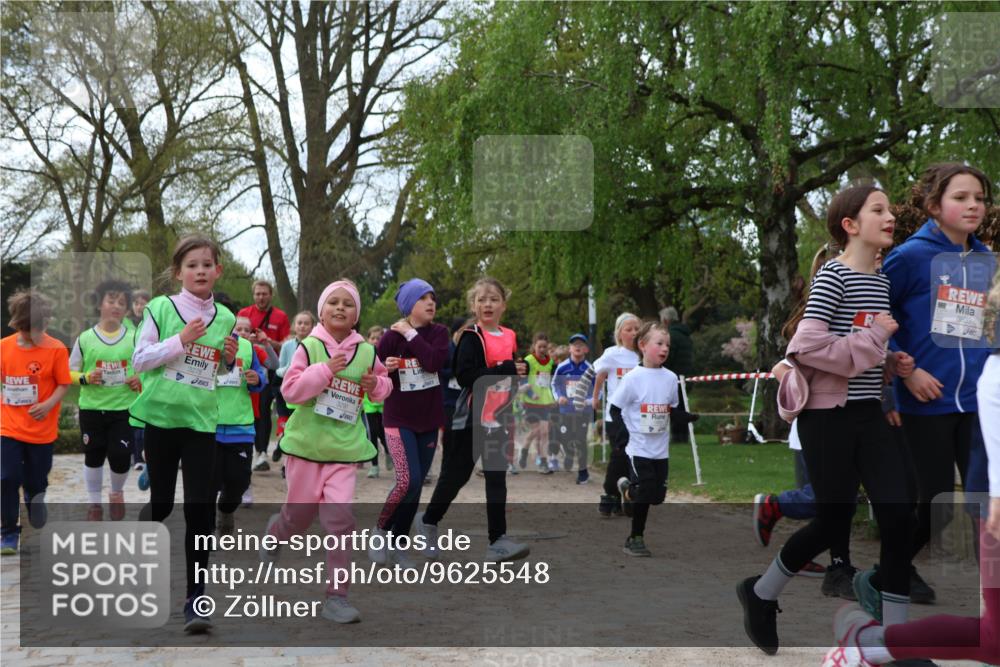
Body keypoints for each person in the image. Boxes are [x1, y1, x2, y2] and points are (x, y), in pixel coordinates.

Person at [737, 185, 917, 655]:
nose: (890, 216)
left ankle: (894, 640)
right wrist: (875, 338)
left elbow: (858, 346)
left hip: (869, 414)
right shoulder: (833, 277)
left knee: (898, 515)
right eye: (878, 209)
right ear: (850, 225)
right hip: (826, 417)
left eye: (890, 209)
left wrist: (890, 360)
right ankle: (761, 593)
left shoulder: (880, 281)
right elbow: (808, 347)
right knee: (831, 524)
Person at [820, 271, 1000, 666]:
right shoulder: (908, 262)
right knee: (995, 640)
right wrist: (901, 371)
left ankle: (870, 638)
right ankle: (870, 637)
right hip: (928, 415)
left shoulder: (978, 262)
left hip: (966, 432)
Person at [879, 162, 995, 605]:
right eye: (961, 197)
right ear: (933, 205)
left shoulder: (987, 261)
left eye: (979, 198)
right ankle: (890, 571)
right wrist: (903, 371)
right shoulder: (909, 257)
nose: (973, 206)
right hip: (926, 400)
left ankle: (992, 598)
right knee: (934, 505)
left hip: (978, 402)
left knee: (986, 498)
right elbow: (873, 320)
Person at [261, 279, 391, 624]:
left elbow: (384, 386)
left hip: (343, 451)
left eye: (348, 304)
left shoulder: (367, 352)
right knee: (298, 520)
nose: (340, 308)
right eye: (333, 302)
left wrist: (376, 384)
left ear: (356, 314)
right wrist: (323, 371)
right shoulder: (309, 347)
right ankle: (277, 532)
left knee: (340, 522)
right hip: (306, 448)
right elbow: (290, 391)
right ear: (322, 311)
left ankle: (337, 597)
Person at [129, 235, 238, 632]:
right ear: (178, 272)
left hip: (200, 424)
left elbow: (215, 370)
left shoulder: (225, 318)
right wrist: (180, 340)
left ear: (218, 271)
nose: (200, 271)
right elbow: (140, 360)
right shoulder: (160, 308)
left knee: (199, 511)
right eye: (192, 265)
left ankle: (196, 599)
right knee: (160, 507)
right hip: (160, 420)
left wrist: (227, 362)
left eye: (207, 264)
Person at [752, 244, 859, 593]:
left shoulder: (861, 310)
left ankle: (836, 566)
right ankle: (775, 505)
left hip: (849, 423)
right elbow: (781, 367)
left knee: (839, 504)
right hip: (815, 428)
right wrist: (803, 391)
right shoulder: (813, 319)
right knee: (828, 501)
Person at [419, 277, 530, 562]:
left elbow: (511, 368)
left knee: (496, 477)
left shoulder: (509, 335)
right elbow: (466, 376)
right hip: (469, 418)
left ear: (504, 305)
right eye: (482, 299)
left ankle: (497, 541)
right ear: (473, 305)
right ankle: (428, 521)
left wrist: (521, 368)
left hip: (499, 417)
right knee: (456, 477)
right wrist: (505, 369)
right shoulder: (471, 336)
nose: (487, 304)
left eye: (494, 299)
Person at [370, 278, 449, 567]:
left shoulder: (439, 333)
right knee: (408, 480)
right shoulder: (390, 338)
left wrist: (412, 334)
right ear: (407, 306)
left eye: (432, 298)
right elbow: (374, 375)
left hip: (428, 421)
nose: (430, 303)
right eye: (423, 298)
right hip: (398, 418)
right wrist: (386, 369)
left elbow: (434, 362)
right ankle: (380, 530)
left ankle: (398, 544)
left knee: (416, 487)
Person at [0, 290, 71, 555]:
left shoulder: (56, 348)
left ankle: (33, 498)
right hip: (8, 427)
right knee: (6, 478)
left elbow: (64, 383)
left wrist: (48, 404)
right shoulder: (4, 347)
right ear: (18, 324)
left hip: (42, 431)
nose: (35, 335)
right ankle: (8, 532)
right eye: (29, 330)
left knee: (36, 480)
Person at [69, 279, 142, 522]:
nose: (116, 306)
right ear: (99, 304)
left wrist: (139, 378)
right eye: (111, 301)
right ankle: (94, 504)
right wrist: (86, 377)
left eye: (122, 303)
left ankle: (117, 493)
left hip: (123, 408)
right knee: (93, 456)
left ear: (127, 309)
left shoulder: (134, 338)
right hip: (92, 408)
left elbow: (147, 368)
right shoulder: (85, 338)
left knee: (120, 456)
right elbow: (69, 372)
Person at [609, 321, 678, 556]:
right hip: (638, 448)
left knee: (657, 497)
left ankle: (628, 490)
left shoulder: (671, 378)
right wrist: (622, 434)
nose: (665, 348)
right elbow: (615, 409)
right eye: (659, 343)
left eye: (667, 344)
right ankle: (635, 538)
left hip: (661, 450)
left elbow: (672, 408)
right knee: (647, 491)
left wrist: (685, 417)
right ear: (643, 345)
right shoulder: (633, 378)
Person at [213, 315, 267, 537]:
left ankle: (226, 510)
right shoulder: (209, 343)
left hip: (241, 427)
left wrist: (257, 379)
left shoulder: (247, 347)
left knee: (239, 483)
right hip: (209, 426)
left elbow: (260, 376)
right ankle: (205, 530)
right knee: (208, 484)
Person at [237, 280, 290, 471]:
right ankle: (247, 449)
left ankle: (261, 452)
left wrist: (266, 342)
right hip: (243, 367)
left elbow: (285, 345)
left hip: (267, 367)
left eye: (264, 294)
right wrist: (245, 341)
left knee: (264, 410)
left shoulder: (280, 316)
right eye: (257, 293)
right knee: (247, 407)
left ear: (270, 295)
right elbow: (234, 335)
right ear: (253, 295)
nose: (261, 297)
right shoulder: (244, 313)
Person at [592, 313, 641, 516]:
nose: (633, 333)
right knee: (620, 454)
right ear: (619, 334)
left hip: (637, 416)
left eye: (636, 329)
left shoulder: (643, 355)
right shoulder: (612, 354)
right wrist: (595, 397)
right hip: (616, 415)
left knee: (634, 458)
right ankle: (609, 496)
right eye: (628, 330)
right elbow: (600, 375)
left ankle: (629, 498)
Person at [272, 310, 316, 468]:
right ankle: (283, 452)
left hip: (306, 392)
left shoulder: (315, 346)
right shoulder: (287, 346)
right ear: (294, 326)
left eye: (306, 323)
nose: (302, 326)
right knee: (286, 425)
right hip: (286, 391)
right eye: (299, 323)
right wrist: (290, 370)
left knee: (299, 429)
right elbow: (279, 368)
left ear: (313, 326)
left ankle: (291, 462)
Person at [552, 333, 594, 483]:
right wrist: (559, 397)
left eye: (581, 344)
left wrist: (589, 401)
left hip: (583, 411)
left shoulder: (590, 368)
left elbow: (598, 388)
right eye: (574, 344)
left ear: (586, 349)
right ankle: (569, 454)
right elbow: (554, 384)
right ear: (569, 348)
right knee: (566, 437)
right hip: (566, 410)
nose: (577, 347)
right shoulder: (562, 367)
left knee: (580, 439)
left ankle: (583, 473)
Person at [519, 333, 556, 473]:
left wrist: (553, 397)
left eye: (544, 347)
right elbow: (522, 379)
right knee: (536, 431)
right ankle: (524, 450)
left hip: (544, 402)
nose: (542, 349)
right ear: (534, 346)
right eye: (539, 346)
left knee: (545, 432)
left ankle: (544, 462)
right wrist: (530, 393)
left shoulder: (550, 362)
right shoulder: (528, 360)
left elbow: (551, 381)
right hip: (531, 402)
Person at [660, 306, 694, 441]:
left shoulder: (671, 336)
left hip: (674, 377)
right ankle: (683, 436)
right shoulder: (686, 336)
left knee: (675, 407)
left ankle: (677, 437)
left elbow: (668, 358)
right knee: (682, 406)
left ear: (666, 320)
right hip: (686, 376)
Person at [363, 325, 389, 478]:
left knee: (382, 433)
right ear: (368, 339)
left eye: (378, 338)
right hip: (369, 402)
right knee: (372, 433)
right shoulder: (364, 355)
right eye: (372, 338)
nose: (375, 341)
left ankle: (388, 452)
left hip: (384, 402)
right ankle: (374, 466)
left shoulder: (386, 356)